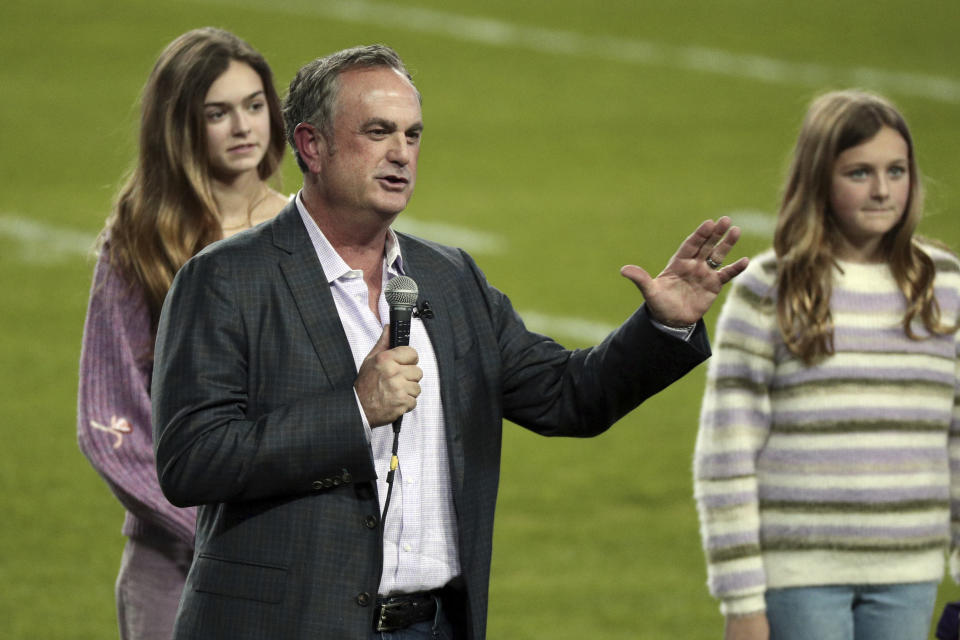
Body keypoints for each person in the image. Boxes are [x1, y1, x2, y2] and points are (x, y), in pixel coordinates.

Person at [151, 44, 748, 640]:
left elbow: (568, 395)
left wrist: (663, 326)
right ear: (311, 145)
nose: (400, 155)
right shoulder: (227, 278)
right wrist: (354, 410)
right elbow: (192, 460)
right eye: (378, 132)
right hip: (285, 625)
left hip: (433, 626)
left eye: (412, 135)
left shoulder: (449, 277)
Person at [693, 89, 960, 640]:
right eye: (859, 172)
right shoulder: (770, 288)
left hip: (910, 573)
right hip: (799, 577)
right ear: (818, 179)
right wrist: (741, 600)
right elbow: (727, 451)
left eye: (897, 170)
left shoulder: (945, 286)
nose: (883, 189)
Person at [77, 27, 287, 640]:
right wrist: (206, 525)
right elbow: (108, 418)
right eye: (217, 113)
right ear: (181, 125)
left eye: (253, 105)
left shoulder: (310, 231)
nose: (244, 127)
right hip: (172, 561)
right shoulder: (138, 240)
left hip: (290, 559)